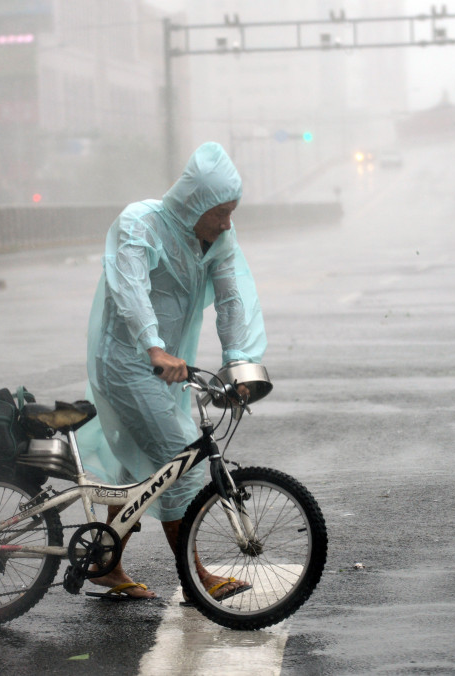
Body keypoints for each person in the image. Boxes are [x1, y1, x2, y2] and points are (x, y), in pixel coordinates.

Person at [76, 142, 267, 600]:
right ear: (194, 204)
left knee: (134, 470)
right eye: (219, 212)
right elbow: (130, 288)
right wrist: (153, 346)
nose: (226, 222)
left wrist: (237, 360)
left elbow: (232, 299)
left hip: (170, 367)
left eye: (231, 211)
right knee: (178, 456)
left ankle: (106, 565)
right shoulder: (140, 222)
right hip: (128, 360)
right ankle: (198, 577)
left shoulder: (220, 238)